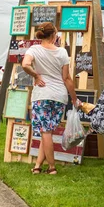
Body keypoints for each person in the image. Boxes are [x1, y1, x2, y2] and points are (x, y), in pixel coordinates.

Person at [21, 22, 79, 175]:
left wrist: (36, 75)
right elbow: (67, 78)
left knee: (45, 132)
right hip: (59, 96)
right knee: (47, 132)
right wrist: (74, 98)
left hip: (42, 94)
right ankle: (38, 166)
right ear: (54, 35)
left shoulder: (34, 49)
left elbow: (25, 64)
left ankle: (52, 167)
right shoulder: (62, 52)